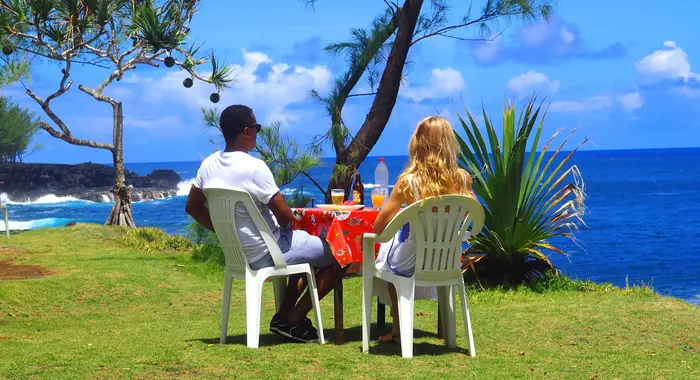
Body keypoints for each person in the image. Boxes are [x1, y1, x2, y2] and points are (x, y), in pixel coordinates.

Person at [185, 105, 343, 343]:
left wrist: (224, 230)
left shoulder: (208, 165)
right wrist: (288, 224)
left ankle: (283, 318)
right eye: (257, 128)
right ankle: (294, 319)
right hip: (269, 252)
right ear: (247, 131)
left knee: (305, 252)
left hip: (240, 254)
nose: (258, 132)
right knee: (341, 256)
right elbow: (285, 216)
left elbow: (192, 207)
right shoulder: (253, 167)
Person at [372, 115, 477, 344]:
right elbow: (471, 215)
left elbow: (378, 226)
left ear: (417, 143)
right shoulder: (463, 178)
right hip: (447, 260)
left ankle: (398, 330)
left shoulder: (408, 182)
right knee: (393, 258)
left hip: (412, 260)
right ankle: (446, 336)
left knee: (387, 264)